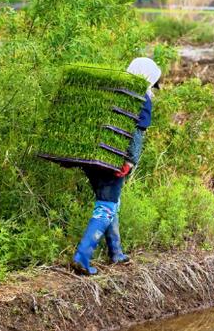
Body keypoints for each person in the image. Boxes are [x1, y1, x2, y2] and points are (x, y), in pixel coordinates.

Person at [72, 57, 161, 275]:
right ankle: (81, 257)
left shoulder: (112, 89)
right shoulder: (140, 97)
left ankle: (116, 252)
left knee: (111, 201)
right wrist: (130, 161)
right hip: (114, 160)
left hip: (92, 156)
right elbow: (137, 134)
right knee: (106, 206)